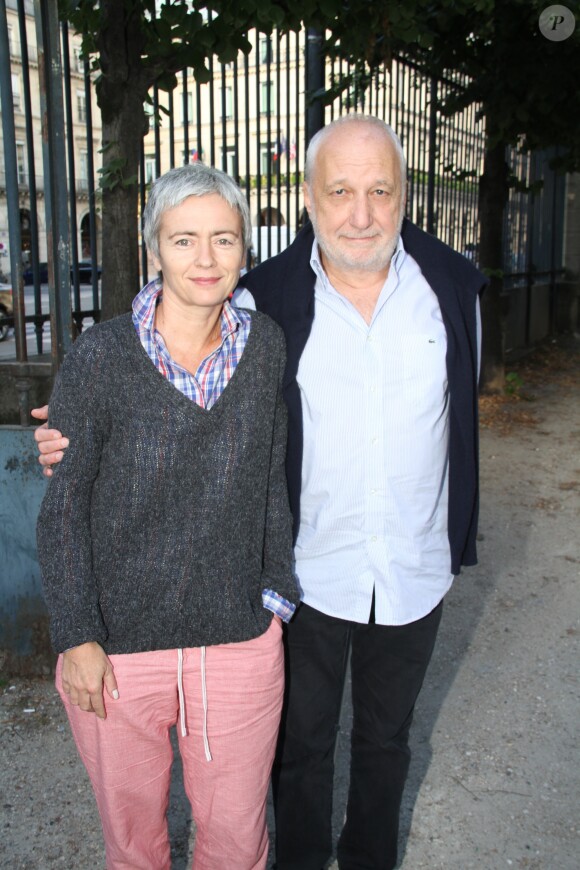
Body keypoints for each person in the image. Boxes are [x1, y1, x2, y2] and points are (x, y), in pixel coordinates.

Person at [34, 115, 485, 870]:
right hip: (313, 571)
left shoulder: (452, 287)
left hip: (410, 568)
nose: (361, 213)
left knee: (385, 743)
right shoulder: (266, 298)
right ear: (307, 200)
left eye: (380, 190)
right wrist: (68, 438)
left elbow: (462, 415)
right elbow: (151, 391)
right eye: (340, 191)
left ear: (405, 195)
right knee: (296, 754)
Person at [35, 162, 298, 870]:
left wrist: (273, 597)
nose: (205, 259)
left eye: (223, 239)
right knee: (135, 845)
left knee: (238, 841)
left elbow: (270, 475)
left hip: (237, 642)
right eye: (184, 240)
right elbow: (64, 509)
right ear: (155, 246)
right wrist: (78, 634)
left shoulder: (265, 346)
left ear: (246, 249)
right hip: (118, 650)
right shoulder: (101, 356)